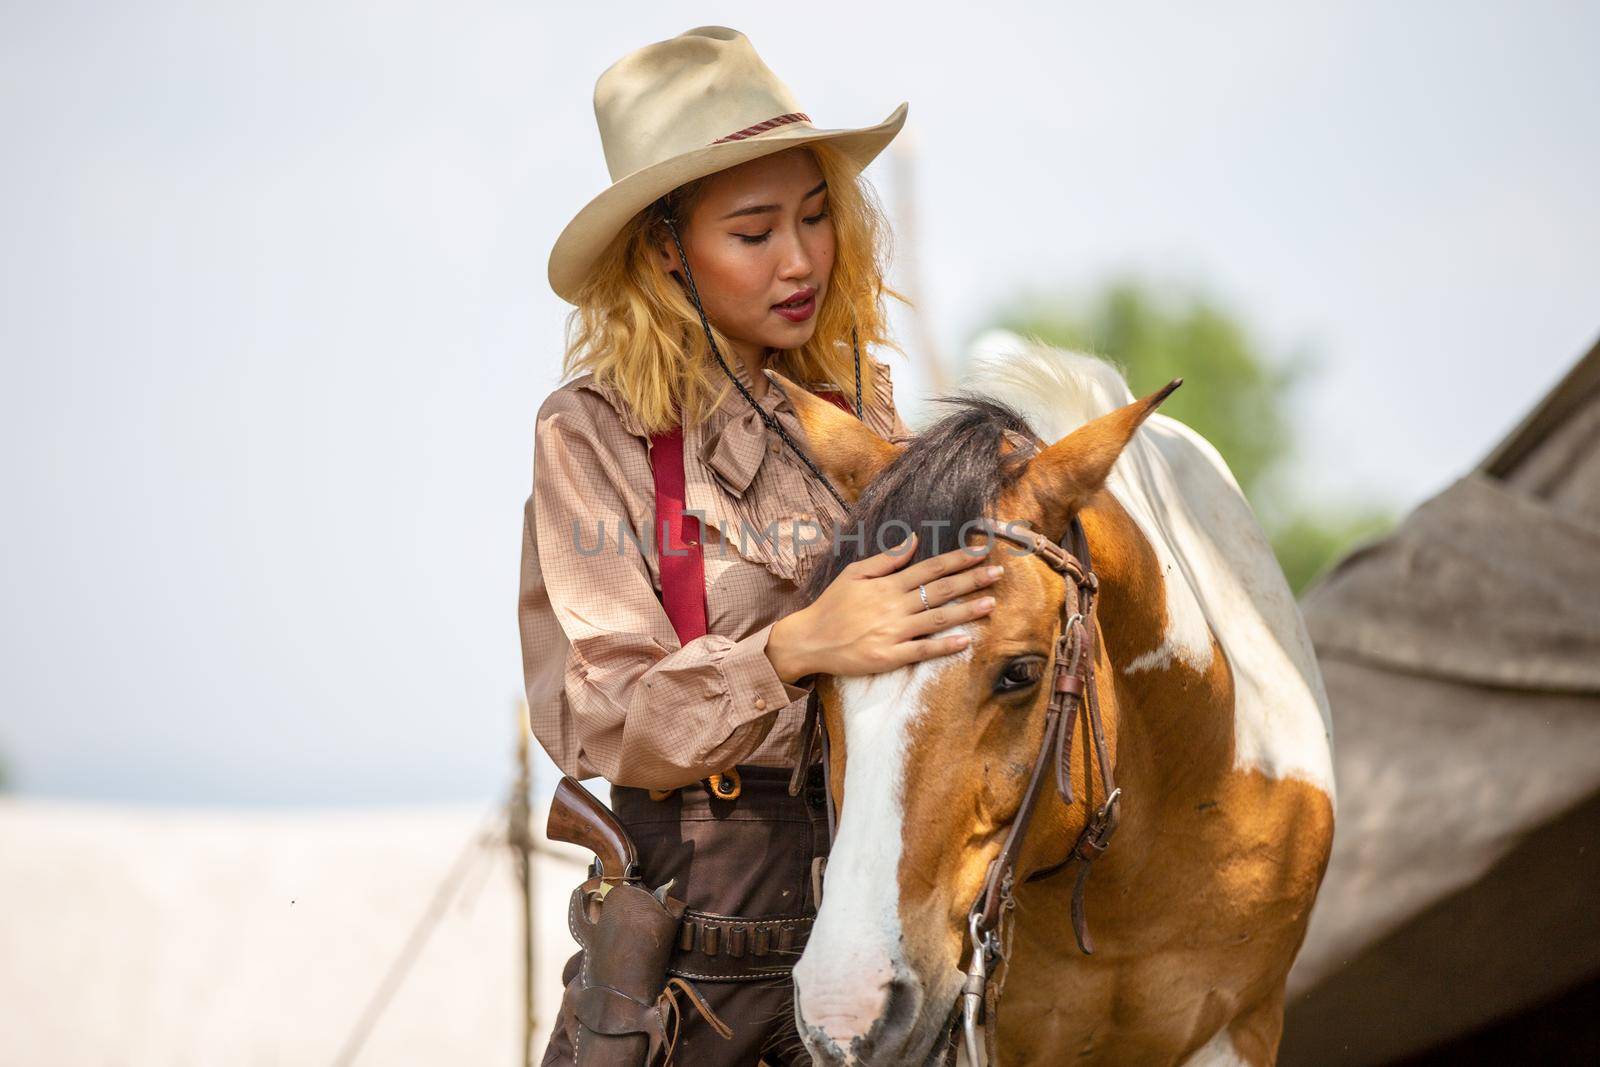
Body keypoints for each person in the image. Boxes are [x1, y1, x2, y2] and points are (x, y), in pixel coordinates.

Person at [519, 26, 1005, 1066]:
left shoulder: (865, 406)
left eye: (817, 215)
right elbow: (606, 713)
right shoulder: (589, 433)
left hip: (880, 933)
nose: (800, 260)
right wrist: (796, 648)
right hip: (689, 969)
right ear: (662, 249)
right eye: (753, 232)